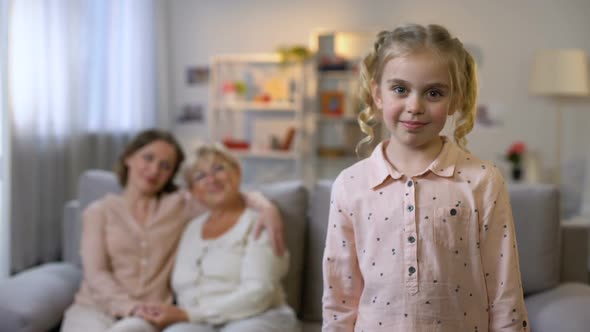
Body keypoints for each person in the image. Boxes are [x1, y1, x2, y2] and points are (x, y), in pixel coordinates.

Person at [322, 24, 529, 331]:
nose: (415, 107)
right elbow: (339, 297)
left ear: (455, 100)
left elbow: (504, 290)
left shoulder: (483, 181)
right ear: (377, 95)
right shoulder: (350, 185)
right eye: (400, 89)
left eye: (433, 93)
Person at [61, 129, 286, 332]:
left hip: (149, 313)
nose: (154, 170)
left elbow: (224, 195)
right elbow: (96, 273)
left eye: (165, 165)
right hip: (96, 307)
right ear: (129, 157)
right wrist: (129, 306)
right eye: (148, 158)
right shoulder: (98, 212)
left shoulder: (181, 206)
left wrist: (265, 206)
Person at [132, 143, 300, 332]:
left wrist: (188, 315)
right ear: (192, 190)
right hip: (200, 322)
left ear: (237, 172)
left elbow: (259, 292)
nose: (211, 179)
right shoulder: (191, 228)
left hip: (258, 316)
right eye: (200, 176)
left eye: (218, 169)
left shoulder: (259, 221)